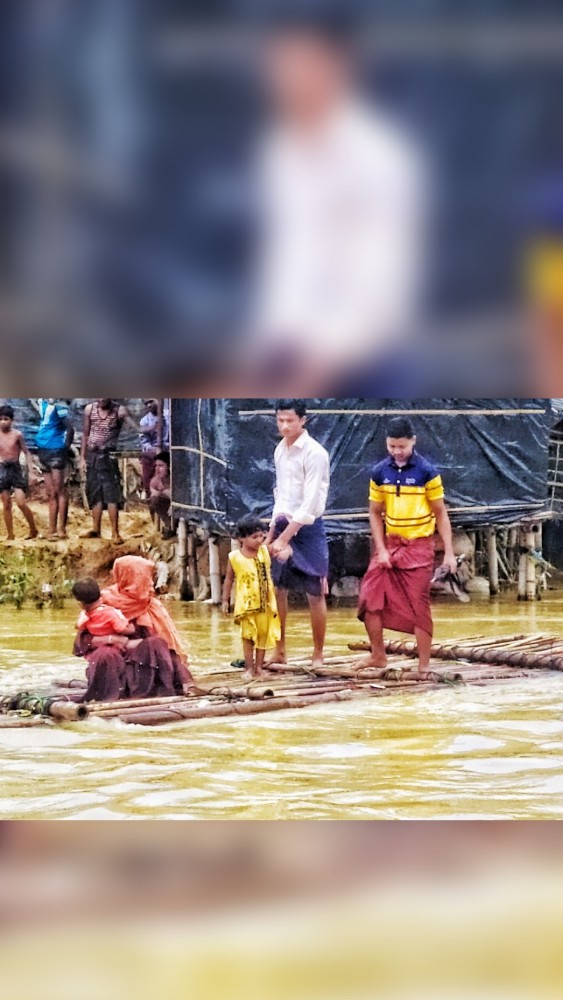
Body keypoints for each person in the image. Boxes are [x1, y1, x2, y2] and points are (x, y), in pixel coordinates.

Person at [244, 12, 426, 395]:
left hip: (364, 363)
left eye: (306, 65)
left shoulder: (377, 160)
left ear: (341, 67)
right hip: (286, 349)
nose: (293, 79)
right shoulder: (279, 149)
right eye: (283, 65)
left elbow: (378, 287)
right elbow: (286, 264)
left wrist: (313, 372)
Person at [356, 416, 457, 675]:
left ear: (413, 441)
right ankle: (378, 655)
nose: (397, 451)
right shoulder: (379, 472)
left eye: (402, 446)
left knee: (419, 605)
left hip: (419, 547)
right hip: (391, 545)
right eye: (392, 446)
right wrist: (380, 549)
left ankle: (424, 665)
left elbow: (441, 514)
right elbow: (374, 513)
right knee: (369, 597)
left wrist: (449, 553)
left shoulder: (427, 472)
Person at [73, 555, 193, 702]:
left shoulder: (151, 605)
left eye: (150, 578)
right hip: (113, 665)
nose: (151, 583)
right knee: (106, 654)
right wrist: (111, 639)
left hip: (142, 665)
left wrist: (184, 679)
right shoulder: (101, 602)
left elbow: (168, 648)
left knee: (157, 644)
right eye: (145, 578)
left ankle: (155, 692)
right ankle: (108, 696)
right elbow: (81, 643)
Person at [266, 399, 330, 669]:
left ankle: (318, 654)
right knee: (278, 588)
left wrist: (285, 538)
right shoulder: (280, 450)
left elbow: (311, 502)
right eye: (280, 420)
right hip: (283, 522)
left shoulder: (316, 453)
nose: (284, 426)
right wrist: (272, 533)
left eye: (290, 420)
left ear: (303, 420)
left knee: (315, 591)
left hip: (308, 527)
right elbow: (280, 495)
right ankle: (280, 649)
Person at [221, 517, 281, 678]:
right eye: (254, 537)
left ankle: (259, 668)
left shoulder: (264, 551)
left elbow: (277, 544)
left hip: (266, 603)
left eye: (261, 536)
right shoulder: (234, 557)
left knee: (263, 635)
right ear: (241, 538)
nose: (259, 540)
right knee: (248, 636)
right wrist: (225, 600)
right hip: (246, 605)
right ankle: (248, 668)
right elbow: (229, 579)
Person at [79, 399, 139, 544]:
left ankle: (115, 532)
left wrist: (145, 428)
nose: (101, 400)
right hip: (92, 456)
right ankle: (96, 529)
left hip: (108, 457)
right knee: (95, 492)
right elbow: (86, 434)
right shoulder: (90, 409)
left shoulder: (119, 411)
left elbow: (135, 428)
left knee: (111, 494)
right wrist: (82, 458)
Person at [32, 398, 74, 539]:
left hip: (56, 450)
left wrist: (65, 447)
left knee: (59, 490)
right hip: (43, 449)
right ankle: (52, 529)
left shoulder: (59, 405)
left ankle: (62, 529)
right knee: (51, 492)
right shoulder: (43, 403)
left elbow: (70, 428)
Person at [0, 404, 38, 540]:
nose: (3, 422)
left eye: (6, 419)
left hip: (15, 469)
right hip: (2, 469)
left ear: (12, 420)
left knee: (21, 502)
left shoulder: (17, 435)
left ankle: (33, 529)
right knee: (6, 504)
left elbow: (27, 452)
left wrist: (31, 471)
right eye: (0, 419)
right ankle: (10, 535)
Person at [139, 399, 167, 498]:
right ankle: (151, 499)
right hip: (151, 454)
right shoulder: (144, 421)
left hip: (167, 452)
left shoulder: (169, 416)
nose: (149, 405)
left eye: (151, 401)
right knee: (148, 480)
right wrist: (154, 450)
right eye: (146, 403)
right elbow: (144, 442)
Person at [148, 451, 172, 532]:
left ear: (169, 466)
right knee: (154, 500)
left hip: (180, 509)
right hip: (167, 507)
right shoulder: (155, 481)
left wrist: (165, 492)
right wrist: (164, 493)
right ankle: (169, 525)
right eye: (156, 466)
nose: (157, 469)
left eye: (161, 466)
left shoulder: (177, 479)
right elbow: (153, 493)